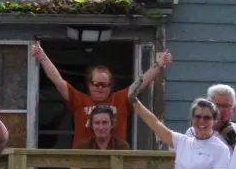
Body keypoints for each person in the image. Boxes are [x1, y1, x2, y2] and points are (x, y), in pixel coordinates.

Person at [32, 40, 171, 144]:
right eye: (96, 84)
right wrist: (42, 57)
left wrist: (159, 65)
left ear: (111, 86)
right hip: (82, 167)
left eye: (104, 84)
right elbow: (58, 81)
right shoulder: (78, 100)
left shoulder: (120, 99)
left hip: (113, 167)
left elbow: (140, 84)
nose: (100, 87)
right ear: (89, 85)